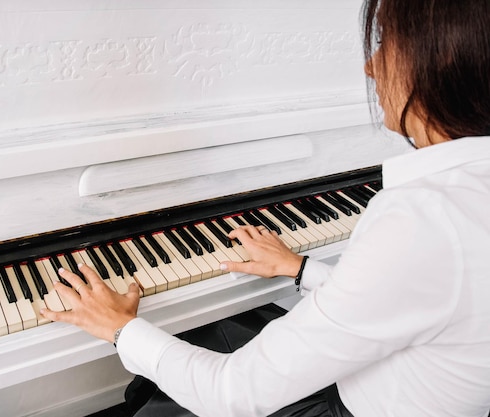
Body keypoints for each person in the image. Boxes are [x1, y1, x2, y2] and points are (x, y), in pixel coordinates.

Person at [40, 0, 490, 415]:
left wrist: (120, 327)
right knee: (207, 333)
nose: (371, 67)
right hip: (387, 378)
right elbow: (414, 295)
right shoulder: (460, 201)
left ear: (440, 58)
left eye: (386, 43)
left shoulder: (423, 221)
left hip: (346, 405)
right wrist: (301, 269)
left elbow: (233, 394)